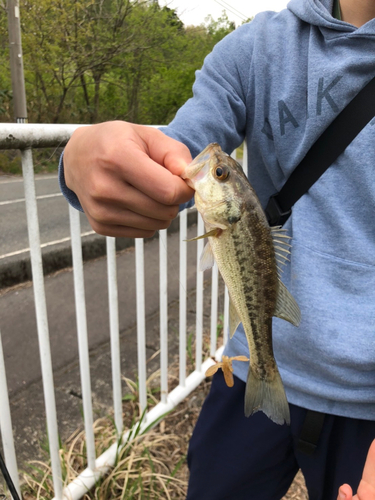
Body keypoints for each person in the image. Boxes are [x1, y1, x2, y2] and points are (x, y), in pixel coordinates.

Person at [60, 0, 375, 498]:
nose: (216, 167)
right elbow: (179, 150)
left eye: (223, 172)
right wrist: (88, 159)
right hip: (255, 360)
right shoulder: (256, 47)